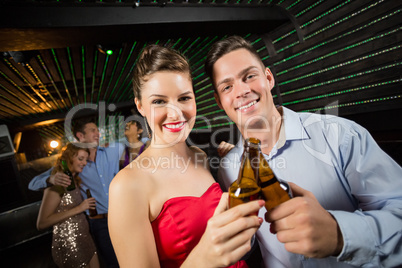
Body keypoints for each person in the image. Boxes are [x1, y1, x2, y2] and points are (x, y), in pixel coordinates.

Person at [204, 35, 402, 268]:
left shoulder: (339, 136)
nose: (242, 91)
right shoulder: (228, 169)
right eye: (227, 86)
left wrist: (339, 234)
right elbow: (253, 246)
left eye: (249, 76)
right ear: (219, 101)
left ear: (268, 78)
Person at [108, 44, 265, 268]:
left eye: (184, 98)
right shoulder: (127, 185)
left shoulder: (199, 156)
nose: (176, 113)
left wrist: (237, 161)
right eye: (159, 101)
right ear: (140, 106)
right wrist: (204, 257)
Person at [29, 118, 124, 268]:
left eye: (97, 130)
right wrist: (50, 178)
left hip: (122, 216)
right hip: (99, 223)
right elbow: (33, 183)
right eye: (93, 130)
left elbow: (138, 142)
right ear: (80, 136)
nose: (98, 133)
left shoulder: (111, 151)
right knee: (113, 262)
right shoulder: (75, 163)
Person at [36, 143, 100, 268]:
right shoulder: (57, 184)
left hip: (85, 238)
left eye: (85, 160)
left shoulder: (74, 180)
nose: (85, 163)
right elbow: (41, 223)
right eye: (80, 159)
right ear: (68, 158)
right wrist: (79, 208)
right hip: (70, 244)